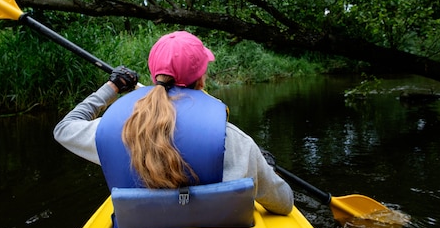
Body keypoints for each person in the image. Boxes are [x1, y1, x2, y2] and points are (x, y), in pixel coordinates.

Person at [53, 31, 293, 218]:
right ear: (201, 79)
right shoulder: (234, 140)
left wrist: (112, 88)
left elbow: (64, 129)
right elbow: (284, 203)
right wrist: (265, 169)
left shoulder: (118, 131)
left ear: (153, 76)